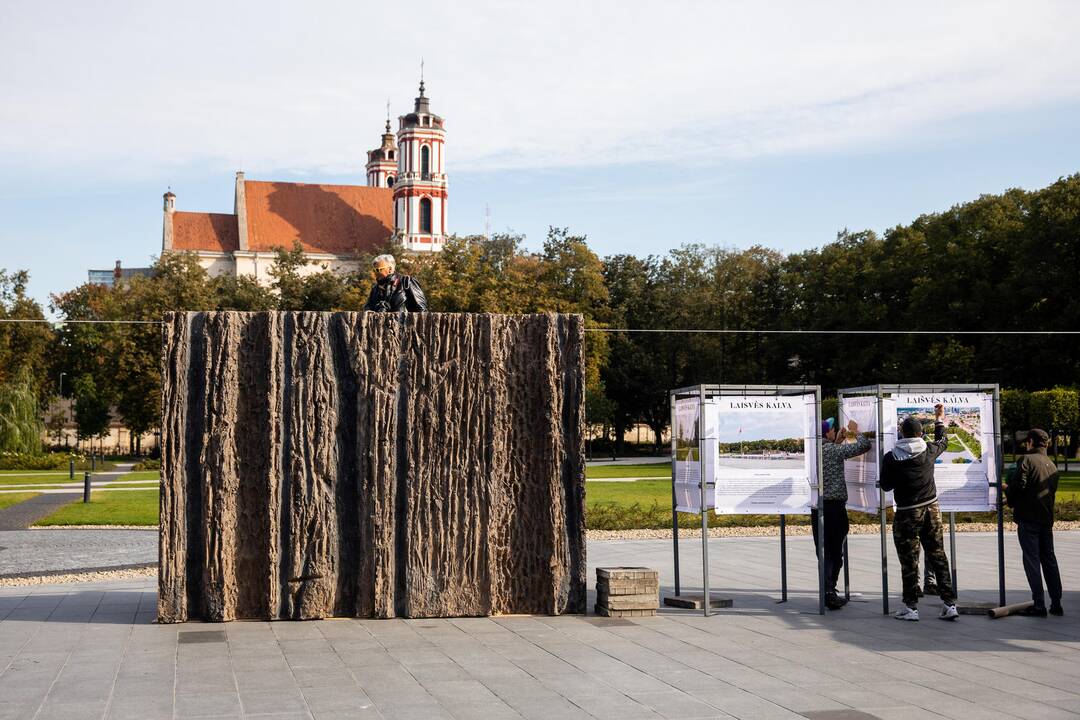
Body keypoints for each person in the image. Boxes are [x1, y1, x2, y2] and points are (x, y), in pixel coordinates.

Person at [880, 404, 958, 621]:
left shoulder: (891, 457)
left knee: (909, 560)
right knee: (938, 554)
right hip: (932, 509)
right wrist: (939, 418)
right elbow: (944, 441)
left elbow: (886, 486)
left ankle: (911, 607)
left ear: (902, 434)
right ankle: (950, 604)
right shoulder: (929, 450)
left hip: (906, 513)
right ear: (920, 434)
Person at [813, 417, 872, 610]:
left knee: (823, 550)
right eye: (832, 429)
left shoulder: (816, 448)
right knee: (835, 550)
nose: (835, 430)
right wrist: (854, 432)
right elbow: (863, 446)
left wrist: (837, 442)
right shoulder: (830, 450)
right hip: (834, 507)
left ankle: (827, 589)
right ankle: (830, 592)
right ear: (827, 432)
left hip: (817, 507)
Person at [1005, 428, 1063, 617]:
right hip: (1046, 519)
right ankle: (1056, 603)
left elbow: (1019, 485)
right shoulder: (1051, 464)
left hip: (1029, 518)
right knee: (1050, 561)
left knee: (1032, 561)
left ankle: (1039, 605)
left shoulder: (1027, 460)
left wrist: (1008, 493)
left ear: (1030, 442)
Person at [363, 254, 428, 312]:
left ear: (390, 269)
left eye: (378, 270)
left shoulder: (406, 282)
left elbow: (421, 310)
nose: (375, 273)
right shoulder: (375, 288)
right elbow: (367, 308)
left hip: (404, 324)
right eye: (374, 270)